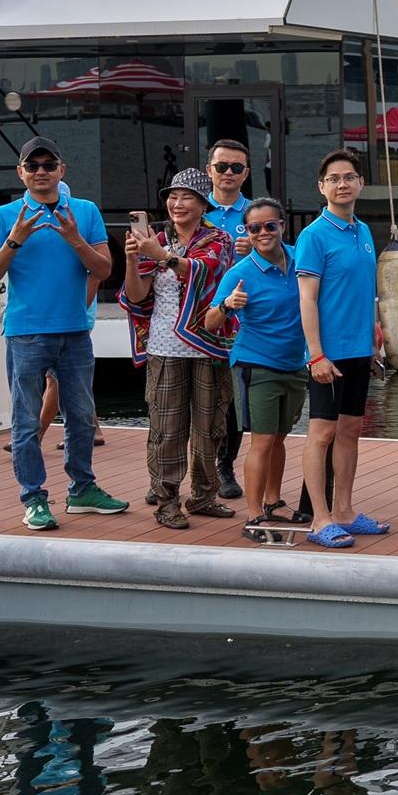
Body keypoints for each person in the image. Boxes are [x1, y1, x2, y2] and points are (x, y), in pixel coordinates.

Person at [0, 135, 125, 532]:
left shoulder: (86, 211)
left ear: (62, 170)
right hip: (26, 333)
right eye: (33, 166)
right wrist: (15, 241)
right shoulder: (5, 216)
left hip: (75, 331)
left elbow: (106, 270)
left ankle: (82, 490)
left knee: (79, 416)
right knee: (25, 422)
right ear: (21, 173)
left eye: (48, 165)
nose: (41, 172)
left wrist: (73, 237)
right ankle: (34, 498)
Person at [118, 168, 236, 531]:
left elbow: (207, 271)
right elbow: (137, 297)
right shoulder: (155, 239)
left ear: (203, 204)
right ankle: (166, 501)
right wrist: (133, 259)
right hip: (164, 346)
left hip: (208, 345)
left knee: (209, 426)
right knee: (166, 430)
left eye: (187, 197)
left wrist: (162, 255)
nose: (178, 203)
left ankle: (203, 495)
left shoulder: (219, 239)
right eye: (173, 196)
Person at [295, 148, 390, 545]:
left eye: (349, 177)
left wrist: (374, 336)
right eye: (334, 179)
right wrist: (316, 354)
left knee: (351, 429)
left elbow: (364, 291)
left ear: (360, 183)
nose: (342, 184)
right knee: (321, 433)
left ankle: (345, 510)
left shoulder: (364, 232)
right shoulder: (313, 236)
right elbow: (307, 299)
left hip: (358, 350)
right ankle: (319, 518)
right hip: (327, 353)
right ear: (322, 187)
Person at [206, 198, 314, 543]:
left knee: (281, 438)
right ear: (247, 233)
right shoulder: (240, 273)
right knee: (263, 440)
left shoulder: (302, 260)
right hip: (257, 365)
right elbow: (209, 321)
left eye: (270, 225)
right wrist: (227, 304)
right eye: (255, 228)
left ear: (283, 225)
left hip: (295, 363)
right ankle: (254, 516)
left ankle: (273, 502)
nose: (263, 233)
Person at [202, 137, 254, 499]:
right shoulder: (191, 207)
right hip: (198, 313)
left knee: (234, 398)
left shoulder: (257, 215)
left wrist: (260, 248)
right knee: (194, 394)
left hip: (242, 318)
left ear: (246, 173)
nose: (229, 174)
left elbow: (284, 258)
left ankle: (225, 466)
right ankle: (182, 471)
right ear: (210, 170)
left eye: (237, 167)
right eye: (222, 167)